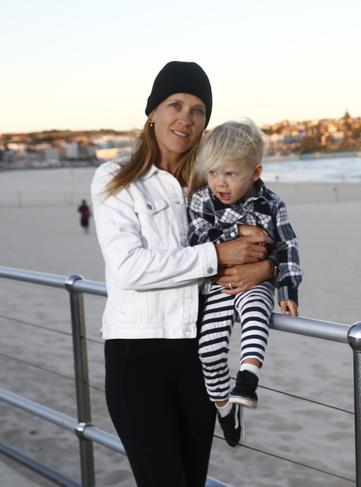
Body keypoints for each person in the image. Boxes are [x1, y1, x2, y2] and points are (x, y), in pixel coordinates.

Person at [90, 61, 274, 487]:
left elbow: (267, 231)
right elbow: (129, 267)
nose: (186, 119)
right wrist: (217, 253)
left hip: (197, 359)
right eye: (175, 104)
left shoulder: (212, 185)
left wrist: (266, 265)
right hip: (136, 358)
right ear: (153, 111)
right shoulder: (115, 179)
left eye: (198, 110)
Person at [187, 118, 302, 446]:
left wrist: (287, 289)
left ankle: (248, 379)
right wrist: (236, 232)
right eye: (213, 172)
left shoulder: (271, 205)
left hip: (257, 283)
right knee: (208, 351)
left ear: (255, 172)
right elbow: (196, 238)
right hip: (220, 283)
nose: (219, 183)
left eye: (230, 174)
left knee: (255, 315)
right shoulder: (202, 201)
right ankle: (225, 410)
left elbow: (287, 246)